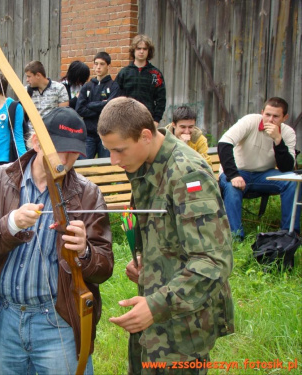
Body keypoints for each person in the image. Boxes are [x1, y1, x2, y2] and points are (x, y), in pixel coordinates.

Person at [0, 107, 113, 374]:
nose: (66, 159)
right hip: (5, 317)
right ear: (35, 142)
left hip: (59, 319)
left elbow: (104, 268)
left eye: (74, 152)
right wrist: (10, 225)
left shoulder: (88, 194)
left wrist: (85, 252)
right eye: (60, 149)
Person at [98, 97, 234, 374]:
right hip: (158, 316)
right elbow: (171, 236)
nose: (113, 161)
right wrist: (149, 264)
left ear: (146, 136)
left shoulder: (186, 174)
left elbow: (213, 261)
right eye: (109, 151)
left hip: (183, 326)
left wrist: (155, 305)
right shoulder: (145, 164)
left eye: (119, 150)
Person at [218, 97, 300, 240]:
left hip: (264, 175)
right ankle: (235, 236)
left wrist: (278, 140)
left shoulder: (288, 133)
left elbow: (286, 168)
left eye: (276, 116)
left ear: (284, 118)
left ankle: (289, 233)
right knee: (232, 186)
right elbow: (224, 143)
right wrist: (233, 174)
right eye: (267, 114)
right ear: (262, 112)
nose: (270, 120)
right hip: (238, 171)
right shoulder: (250, 121)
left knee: (292, 183)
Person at [76, 52, 120, 159]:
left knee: (106, 166)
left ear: (108, 66)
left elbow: (111, 108)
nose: (98, 67)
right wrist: (102, 105)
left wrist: (89, 105)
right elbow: (80, 109)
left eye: (102, 64)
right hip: (89, 134)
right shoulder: (87, 86)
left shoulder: (114, 86)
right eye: (96, 64)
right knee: (83, 166)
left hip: (106, 134)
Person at [115, 35, 166, 127]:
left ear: (148, 51)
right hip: (126, 120)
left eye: (145, 49)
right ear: (133, 50)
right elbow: (116, 98)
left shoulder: (155, 73)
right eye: (138, 48)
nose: (141, 51)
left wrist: (156, 120)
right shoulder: (124, 73)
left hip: (147, 120)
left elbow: (161, 99)